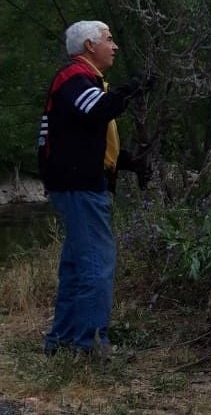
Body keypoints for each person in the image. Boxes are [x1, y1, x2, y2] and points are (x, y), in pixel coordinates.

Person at [37, 19, 148, 356]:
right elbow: (95, 111)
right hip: (79, 186)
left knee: (76, 265)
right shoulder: (75, 77)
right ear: (89, 45)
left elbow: (84, 136)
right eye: (109, 39)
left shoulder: (82, 80)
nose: (114, 46)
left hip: (76, 182)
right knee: (97, 263)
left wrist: (128, 162)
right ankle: (90, 344)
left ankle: (63, 341)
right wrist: (127, 92)